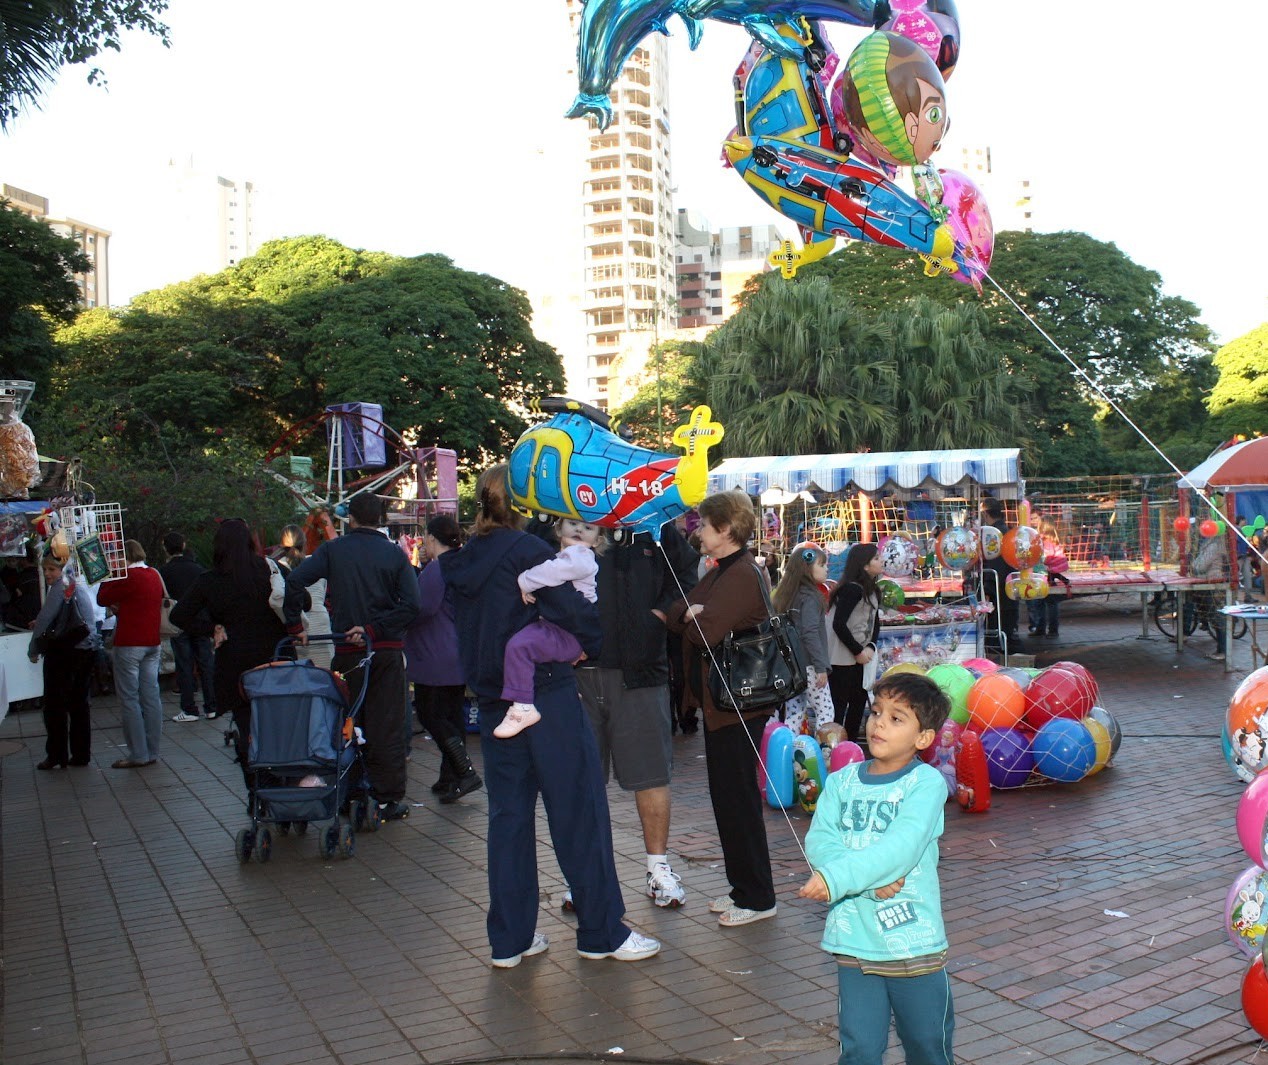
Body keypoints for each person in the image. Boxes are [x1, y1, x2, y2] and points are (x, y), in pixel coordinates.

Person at [441, 463, 659, 967]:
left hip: (495, 702)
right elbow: (577, 615)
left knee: (509, 819)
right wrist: (587, 642)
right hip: (548, 696)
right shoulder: (530, 552)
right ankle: (601, 932)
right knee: (578, 812)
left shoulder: (462, 558)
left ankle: (510, 940)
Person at [799, 671, 955, 1065]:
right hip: (854, 942)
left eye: (896, 717)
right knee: (859, 1049)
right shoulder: (841, 781)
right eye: (876, 712)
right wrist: (865, 885)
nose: (879, 723)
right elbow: (821, 841)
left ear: (923, 738)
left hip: (913, 942)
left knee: (926, 1046)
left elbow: (900, 848)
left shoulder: (926, 783)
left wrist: (838, 879)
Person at [662, 488, 779, 928]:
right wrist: (688, 614)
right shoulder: (724, 569)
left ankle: (757, 896)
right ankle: (743, 889)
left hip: (738, 706)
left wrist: (692, 615)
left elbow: (702, 631)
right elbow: (677, 613)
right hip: (723, 705)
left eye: (705, 525)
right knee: (728, 799)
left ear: (725, 529)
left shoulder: (742, 572)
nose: (698, 531)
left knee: (738, 801)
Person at [571, 520, 700, 911]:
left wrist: (661, 613)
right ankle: (583, 877)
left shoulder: (650, 522)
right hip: (575, 671)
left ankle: (658, 868)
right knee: (580, 781)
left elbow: (686, 572)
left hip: (641, 671)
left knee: (651, 776)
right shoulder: (563, 507)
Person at [283, 493, 420, 822]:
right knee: (386, 725)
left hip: (345, 652)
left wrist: (293, 625)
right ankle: (387, 798)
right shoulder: (394, 554)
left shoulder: (333, 550)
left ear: (351, 519)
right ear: (381, 518)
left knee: (348, 723)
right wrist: (375, 629)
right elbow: (413, 606)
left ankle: (350, 789)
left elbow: (295, 579)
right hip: (385, 652)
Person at [169, 519, 289, 795]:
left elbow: (179, 616)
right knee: (279, 724)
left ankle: (258, 790)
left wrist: (211, 628)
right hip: (276, 658)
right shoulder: (270, 571)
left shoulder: (210, 581)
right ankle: (285, 782)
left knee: (247, 727)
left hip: (236, 665)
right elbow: (300, 600)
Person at [493, 516, 605, 739]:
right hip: (560, 629)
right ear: (558, 528)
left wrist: (525, 581)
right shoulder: (563, 556)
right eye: (573, 524)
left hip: (566, 632)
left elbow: (552, 573)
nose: (579, 530)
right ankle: (531, 700)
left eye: (588, 528)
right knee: (521, 646)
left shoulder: (581, 556)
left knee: (519, 646)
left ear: (597, 541)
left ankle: (523, 705)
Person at [404, 514, 482, 803]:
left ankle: (464, 772)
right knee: (451, 715)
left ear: (433, 538)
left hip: (434, 655)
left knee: (430, 714)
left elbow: (420, 608)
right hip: (458, 652)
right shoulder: (465, 564)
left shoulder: (437, 570)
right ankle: (450, 777)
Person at [27, 553, 99, 768]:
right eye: (45, 569)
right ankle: (80, 754)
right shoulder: (74, 585)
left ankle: (56, 754)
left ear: (60, 569)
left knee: (54, 705)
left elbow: (45, 619)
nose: (47, 574)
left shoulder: (61, 587)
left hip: (66, 651)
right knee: (79, 704)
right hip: (86, 648)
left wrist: (33, 648)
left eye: (51, 569)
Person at [97, 540, 164, 769]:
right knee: (151, 696)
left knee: (129, 699)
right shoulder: (153, 574)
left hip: (129, 642)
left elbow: (102, 597)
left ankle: (138, 753)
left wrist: (107, 575)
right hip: (153, 642)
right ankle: (152, 750)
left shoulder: (127, 577)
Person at [773, 542, 833, 736]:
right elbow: (810, 632)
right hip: (810, 665)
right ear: (808, 569)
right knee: (825, 711)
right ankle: (825, 754)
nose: (826, 569)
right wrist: (820, 666)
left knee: (794, 711)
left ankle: (789, 753)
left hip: (793, 665)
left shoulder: (787, 595)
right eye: (822, 565)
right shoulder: (811, 597)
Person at [826, 543, 882, 743]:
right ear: (864, 565)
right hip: (842, 658)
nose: (881, 560)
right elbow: (838, 624)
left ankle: (850, 747)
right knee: (839, 706)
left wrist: (869, 648)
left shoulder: (873, 590)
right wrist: (858, 650)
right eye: (876, 558)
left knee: (858, 703)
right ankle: (833, 749)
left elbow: (875, 623)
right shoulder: (851, 589)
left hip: (861, 657)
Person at [159, 531, 218, 722]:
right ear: (183, 545)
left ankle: (189, 708)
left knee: (184, 665)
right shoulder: (198, 569)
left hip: (178, 622)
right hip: (201, 621)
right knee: (206, 663)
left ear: (165, 548)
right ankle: (212, 705)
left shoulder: (164, 572)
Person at [979, 497, 1023, 653]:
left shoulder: (992, 536)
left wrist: (988, 589)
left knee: (998, 628)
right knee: (1008, 627)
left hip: (998, 588)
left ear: (985, 514)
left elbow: (996, 565)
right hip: (1011, 586)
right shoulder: (1010, 532)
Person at [1191, 529, 1230, 662]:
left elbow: (1200, 565)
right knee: (1215, 617)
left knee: (1217, 618)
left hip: (1212, 584)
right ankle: (1222, 650)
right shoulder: (1211, 544)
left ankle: (1223, 651)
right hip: (1210, 583)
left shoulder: (1213, 546)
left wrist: (1193, 563)